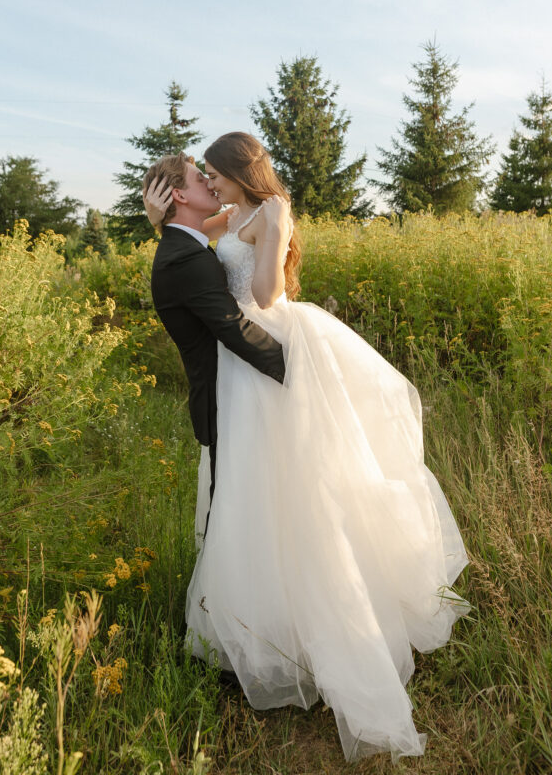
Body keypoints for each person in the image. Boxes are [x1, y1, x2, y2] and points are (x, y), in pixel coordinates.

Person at [143, 132, 470, 762]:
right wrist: (160, 218)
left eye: (212, 172)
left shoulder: (258, 213)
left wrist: (306, 367)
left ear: (234, 172)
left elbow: (262, 297)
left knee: (304, 493)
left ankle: (321, 629)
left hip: (267, 357)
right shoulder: (219, 219)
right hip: (248, 373)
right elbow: (191, 235)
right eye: (199, 175)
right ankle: (271, 630)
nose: (208, 182)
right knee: (261, 501)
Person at [143, 152, 286, 510]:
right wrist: (296, 369)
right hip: (229, 393)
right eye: (199, 179)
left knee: (248, 498)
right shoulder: (184, 257)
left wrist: (155, 219)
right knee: (238, 504)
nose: (210, 183)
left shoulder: (186, 243)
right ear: (180, 196)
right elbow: (232, 328)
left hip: (238, 387)